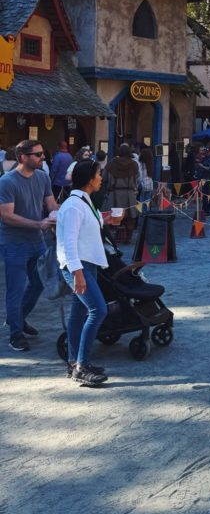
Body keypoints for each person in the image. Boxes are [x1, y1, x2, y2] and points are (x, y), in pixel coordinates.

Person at [56, 159, 114, 387]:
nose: (101, 178)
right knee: (98, 310)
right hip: (77, 266)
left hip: (87, 264)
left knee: (78, 314)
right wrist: (77, 272)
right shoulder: (73, 206)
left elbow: (93, 222)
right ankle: (82, 365)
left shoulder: (85, 201)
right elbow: (68, 243)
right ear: (90, 179)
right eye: (99, 174)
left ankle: (74, 363)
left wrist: (109, 219)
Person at [0, 138, 59, 351]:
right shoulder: (7, 181)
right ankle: (15, 334)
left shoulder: (42, 177)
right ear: (23, 157)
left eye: (43, 154)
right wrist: (38, 223)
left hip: (37, 241)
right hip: (14, 243)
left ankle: (18, 318)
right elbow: (7, 216)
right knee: (15, 290)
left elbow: (51, 205)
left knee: (39, 283)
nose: (43, 157)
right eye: (38, 154)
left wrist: (73, 211)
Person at [104, 144, 139, 236]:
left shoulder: (111, 163)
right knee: (130, 218)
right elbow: (137, 178)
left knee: (114, 216)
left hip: (114, 193)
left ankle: (115, 237)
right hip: (129, 194)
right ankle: (128, 238)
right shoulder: (133, 164)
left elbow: (104, 178)